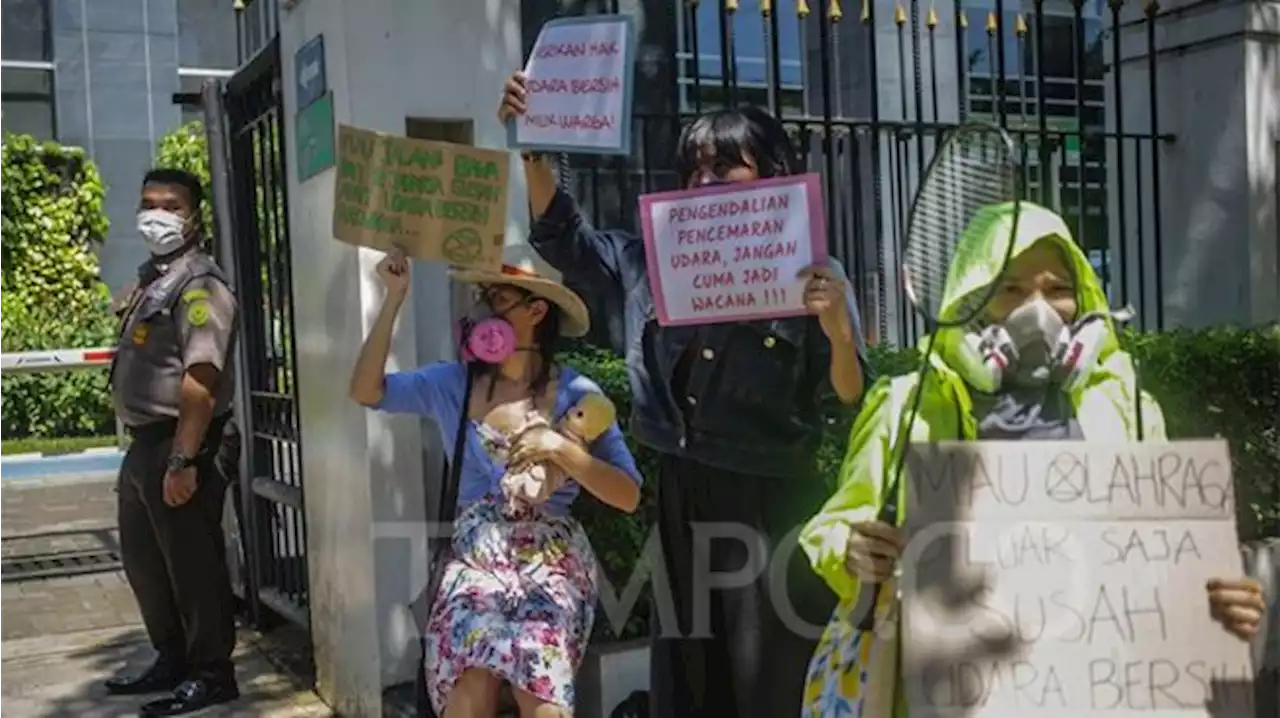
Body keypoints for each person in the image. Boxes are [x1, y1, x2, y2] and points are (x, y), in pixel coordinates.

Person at [799, 201, 1270, 715]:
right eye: (1012, 289)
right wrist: (852, 549)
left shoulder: (1127, 408)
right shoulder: (905, 405)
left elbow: (1159, 562)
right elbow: (837, 524)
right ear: (971, 297)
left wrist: (1218, 601)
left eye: (1059, 289)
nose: (1039, 309)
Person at [499, 73, 870, 717]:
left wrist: (838, 331)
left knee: (771, 675)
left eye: (727, 167)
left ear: (773, 174)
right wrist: (533, 147)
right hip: (682, 492)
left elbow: (846, 396)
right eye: (695, 168)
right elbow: (568, 241)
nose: (705, 182)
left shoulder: (816, 275)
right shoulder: (651, 259)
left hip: (773, 502)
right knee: (691, 674)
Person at [349, 248, 644, 717]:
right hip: (475, 561)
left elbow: (628, 495)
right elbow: (367, 391)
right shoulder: (453, 384)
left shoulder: (578, 395)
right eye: (480, 297)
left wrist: (562, 449)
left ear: (536, 310)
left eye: (498, 298)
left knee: (541, 692)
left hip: (551, 564)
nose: (482, 310)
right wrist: (393, 298)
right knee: (471, 685)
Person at [105, 168, 240, 716]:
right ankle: (171, 658)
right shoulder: (154, 277)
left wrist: (183, 458)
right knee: (146, 563)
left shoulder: (199, 284)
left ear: (194, 216)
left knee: (192, 564)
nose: (156, 215)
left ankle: (212, 673)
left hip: (182, 443)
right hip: (145, 444)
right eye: (148, 203)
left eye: (171, 205)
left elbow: (201, 379)